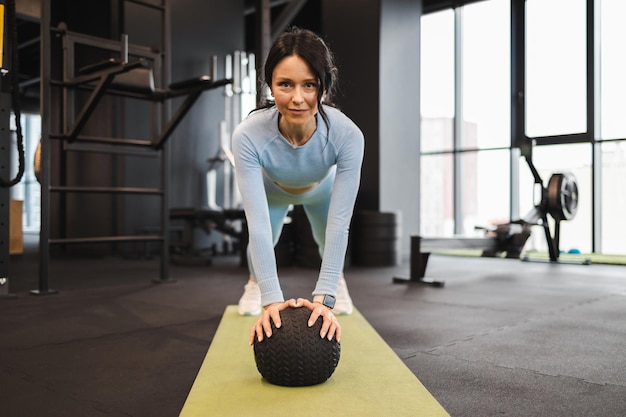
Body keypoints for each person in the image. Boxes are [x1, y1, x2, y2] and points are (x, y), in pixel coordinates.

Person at [231, 27, 364, 346]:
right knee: (266, 237)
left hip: (321, 189)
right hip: (273, 190)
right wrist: (271, 300)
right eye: (285, 84)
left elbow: (339, 226)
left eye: (309, 85)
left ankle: (339, 281)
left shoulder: (347, 135)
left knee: (325, 236)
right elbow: (258, 227)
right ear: (270, 86)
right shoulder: (248, 135)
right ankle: (253, 282)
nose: (297, 98)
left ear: (324, 85)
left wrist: (325, 297)